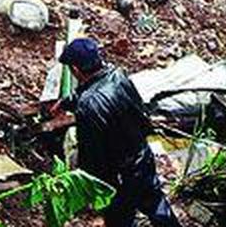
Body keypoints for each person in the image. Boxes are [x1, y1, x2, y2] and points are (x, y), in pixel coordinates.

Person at [55, 38, 181, 227]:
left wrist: (89, 186)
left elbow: (93, 157)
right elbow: (97, 89)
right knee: (156, 203)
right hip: (142, 155)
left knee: (119, 219)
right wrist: (66, 102)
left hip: (121, 175)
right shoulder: (118, 75)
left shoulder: (87, 107)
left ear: (75, 69)